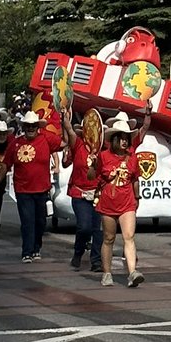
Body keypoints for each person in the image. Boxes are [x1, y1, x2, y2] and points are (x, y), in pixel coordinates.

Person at [90, 111, 149, 288]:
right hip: (108, 202)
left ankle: (132, 272)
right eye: (121, 138)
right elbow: (92, 176)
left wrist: (137, 197)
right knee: (108, 238)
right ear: (113, 139)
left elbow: (135, 179)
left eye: (127, 138)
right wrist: (92, 165)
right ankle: (107, 273)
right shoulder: (103, 156)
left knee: (129, 237)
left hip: (127, 203)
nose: (125, 141)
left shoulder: (132, 157)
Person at [12, 110, 61, 262]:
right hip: (23, 190)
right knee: (27, 221)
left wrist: (65, 122)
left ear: (37, 127)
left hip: (42, 189)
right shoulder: (16, 143)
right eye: (28, 126)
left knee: (40, 221)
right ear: (24, 127)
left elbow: (64, 142)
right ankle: (26, 251)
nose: (31, 128)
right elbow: (6, 164)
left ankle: (36, 248)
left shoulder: (46, 139)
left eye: (33, 126)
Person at [60, 111, 103, 273]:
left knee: (97, 229)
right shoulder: (78, 144)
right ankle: (78, 252)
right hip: (79, 193)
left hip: (98, 194)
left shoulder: (102, 148)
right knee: (84, 227)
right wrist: (65, 121)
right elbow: (70, 132)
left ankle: (96, 261)